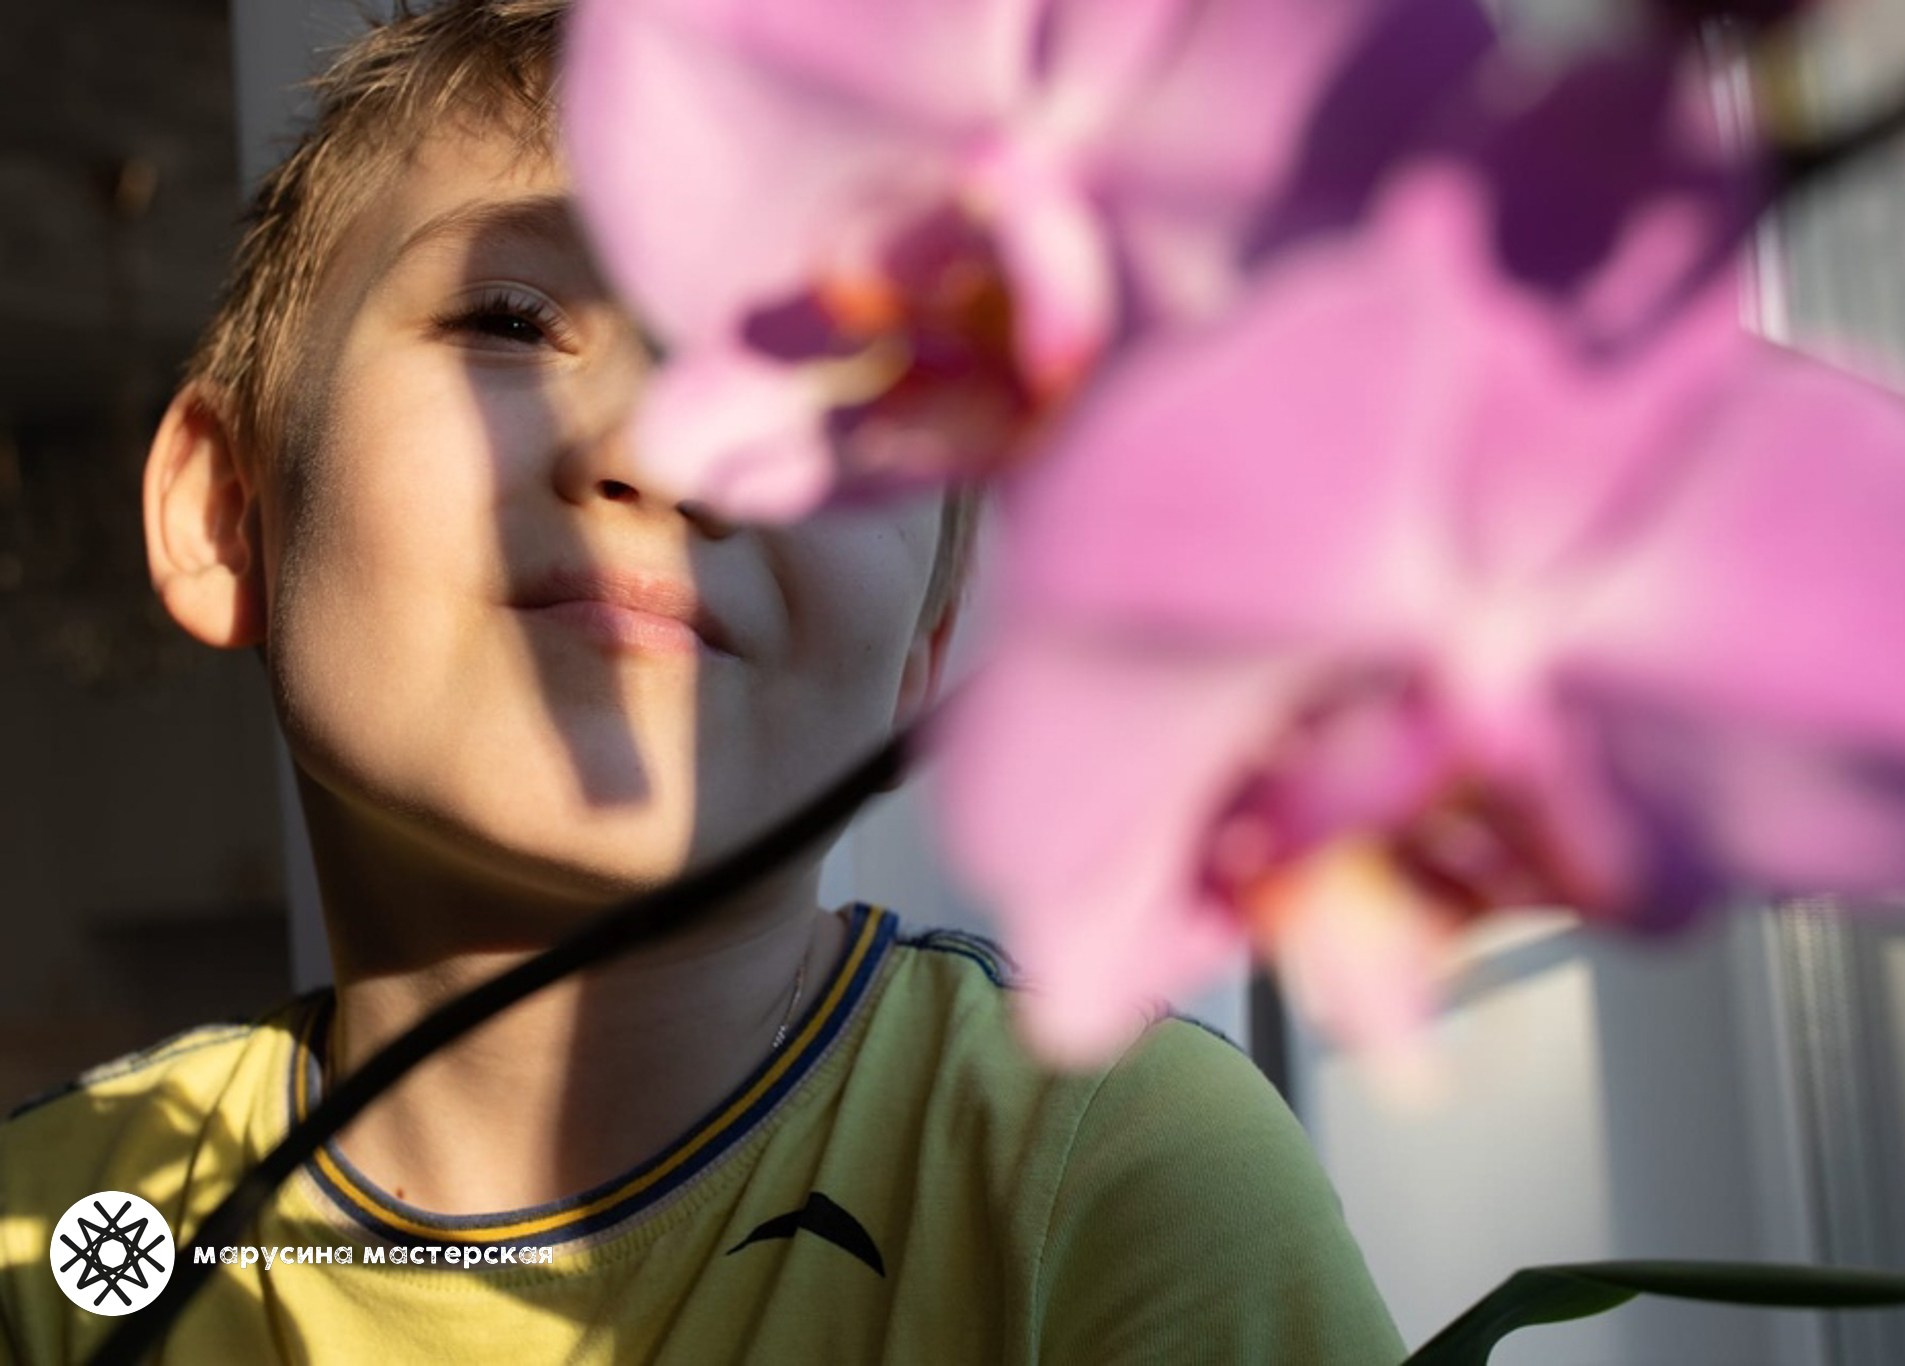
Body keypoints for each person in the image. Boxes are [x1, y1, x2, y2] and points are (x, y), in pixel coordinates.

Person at [0, 2, 1404, 1360]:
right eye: (508, 314)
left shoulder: (1106, 1170)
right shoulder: (57, 1234)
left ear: (923, 645)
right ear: (227, 508)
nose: (674, 450)